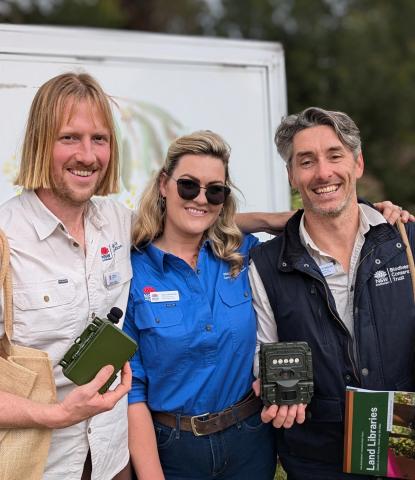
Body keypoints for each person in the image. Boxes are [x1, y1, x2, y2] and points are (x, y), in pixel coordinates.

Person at [249, 107, 415, 479]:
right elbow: (264, 353)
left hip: (403, 447)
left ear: (357, 163)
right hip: (316, 460)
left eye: (335, 155)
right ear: (292, 175)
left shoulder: (406, 241)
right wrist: (273, 388)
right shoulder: (265, 264)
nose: (323, 173)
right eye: (306, 161)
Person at [123, 130, 279, 480]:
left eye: (215, 190)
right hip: (172, 451)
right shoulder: (130, 272)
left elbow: (324, 234)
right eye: (188, 186)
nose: (201, 199)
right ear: (164, 184)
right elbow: (132, 388)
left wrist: (378, 216)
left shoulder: (243, 254)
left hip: (250, 442)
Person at [0, 73, 133, 480]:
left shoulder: (119, 222)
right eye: (69, 138)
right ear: (41, 142)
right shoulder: (5, 238)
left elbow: (191, 219)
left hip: (112, 461)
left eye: (100, 139)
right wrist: (58, 415)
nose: (88, 156)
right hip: (39, 466)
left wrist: (283, 219)